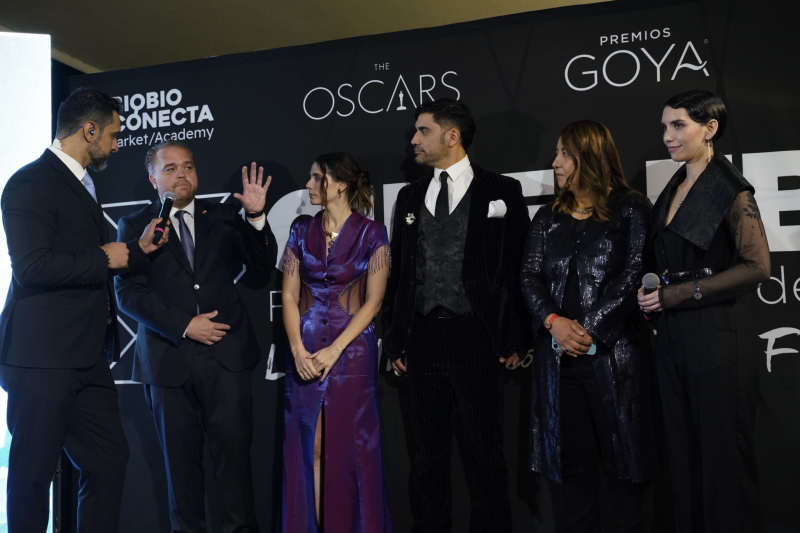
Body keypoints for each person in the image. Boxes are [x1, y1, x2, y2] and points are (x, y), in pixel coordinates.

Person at [0, 87, 168, 533]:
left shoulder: (82, 182)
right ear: (89, 130)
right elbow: (32, 267)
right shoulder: (30, 182)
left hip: (87, 357)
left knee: (108, 460)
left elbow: (95, 258)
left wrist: (138, 250)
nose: (117, 144)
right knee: (33, 477)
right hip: (41, 358)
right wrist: (103, 257)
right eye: (113, 134)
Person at [381, 98, 529, 533]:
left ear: (452, 136)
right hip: (423, 340)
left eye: (422, 131)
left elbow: (519, 267)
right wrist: (396, 336)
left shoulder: (501, 191)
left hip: (478, 338)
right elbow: (400, 273)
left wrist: (517, 336)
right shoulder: (409, 196)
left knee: (486, 456)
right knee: (427, 459)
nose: (413, 139)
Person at [114, 140, 277, 532]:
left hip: (226, 357)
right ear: (153, 179)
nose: (181, 174)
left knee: (235, 468)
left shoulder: (221, 215)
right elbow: (127, 294)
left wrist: (256, 216)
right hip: (168, 361)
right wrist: (185, 325)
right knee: (181, 474)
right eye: (170, 169)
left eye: (187, 166)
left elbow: (260, 264)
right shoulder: (136, 226)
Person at [637, 90, 769, 532]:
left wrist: (677, 294)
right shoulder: (674, 187)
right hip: (675, 339)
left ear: (710, 128)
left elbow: (757, 266)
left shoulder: (730, 188)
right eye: (664, 126)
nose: (667, 136)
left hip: (719, 338)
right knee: (684, 456)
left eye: (679, 125)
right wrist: (654, 298)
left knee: (722, 461)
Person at [520, 120, 658, 532]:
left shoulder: (632, 208)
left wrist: (587, 330)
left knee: (626, 472)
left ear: (589, 156)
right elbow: (529, 276)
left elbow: (635, 273)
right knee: (574, 476)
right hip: (559, 365)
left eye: (564, 154)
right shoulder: (548, 216)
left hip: (617, 363)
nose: (555, 162)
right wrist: (554, 323)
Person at [281, 152, 393, 532]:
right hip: (305, 351)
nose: (309, 185)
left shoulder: (373, 233)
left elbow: (373, 302)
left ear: (341, 184)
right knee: (308, 448)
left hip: (353, 353)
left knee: (354, 450)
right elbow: (289, 296)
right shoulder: (300, 231)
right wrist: (297, 349)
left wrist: (336, 349)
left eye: (317, 178)